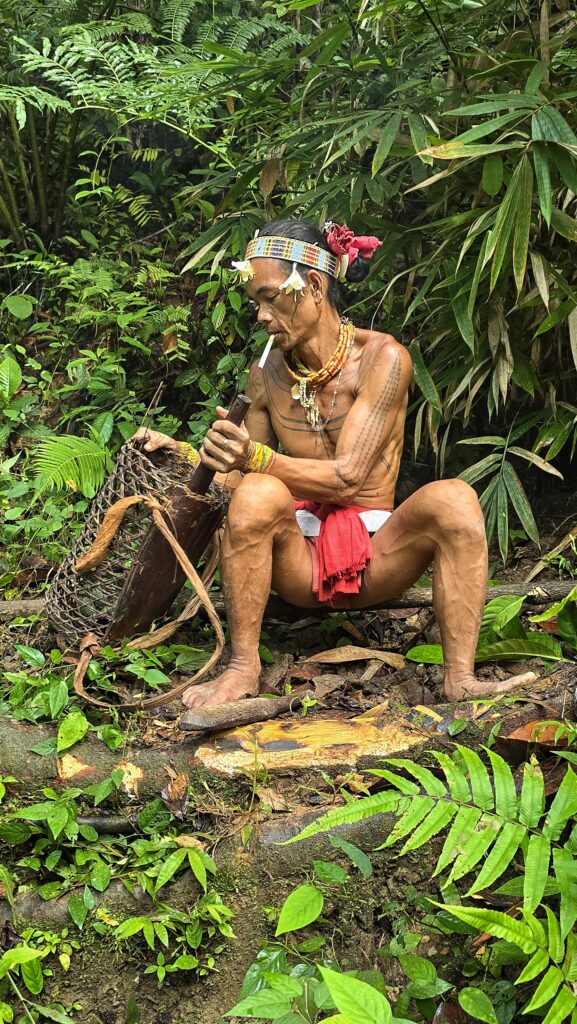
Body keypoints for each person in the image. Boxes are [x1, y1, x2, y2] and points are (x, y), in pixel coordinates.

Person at [135, 218, 535, 710]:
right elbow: (236, 479)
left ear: (314, 287)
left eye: (269, 298)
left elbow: (348, 479)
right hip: (298, 563)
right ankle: (241, 668)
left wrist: (254, 456)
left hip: (379, 557)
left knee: (455, 498)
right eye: (255, 302)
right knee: (256, 493)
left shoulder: (384, 358)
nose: (260, 315)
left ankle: (461, 679)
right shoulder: (266, 374)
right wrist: (183, 453)